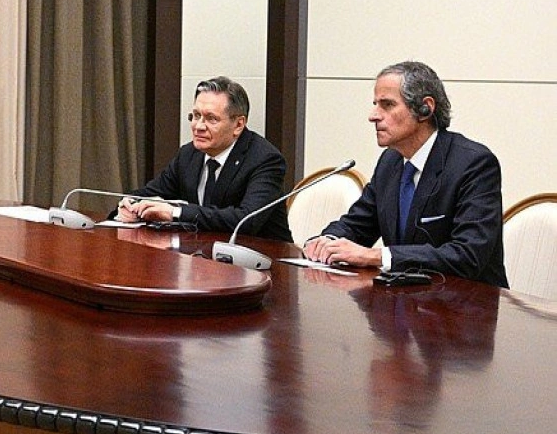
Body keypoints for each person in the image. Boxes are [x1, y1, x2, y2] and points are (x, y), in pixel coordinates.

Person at [302, 61, 507, 288]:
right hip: (407, 298)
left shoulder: (473, 164)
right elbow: (359, 223)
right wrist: (327, 241)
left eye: (387, 105)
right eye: (375, 105)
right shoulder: (391, 161)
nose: (373, 116)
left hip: (467, 302)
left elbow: (468, 255)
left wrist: (377, 256)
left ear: (425, 108)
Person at [114, 76, 293, 241]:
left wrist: (176, 212)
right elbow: (152, 192)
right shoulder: (188, 155)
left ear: (238, 125)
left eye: (211, 119)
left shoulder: (265, 159)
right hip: (203, 256)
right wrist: (130, 204)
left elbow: (246, 220)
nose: (199, 126)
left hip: (262, 258)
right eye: (196, 116)